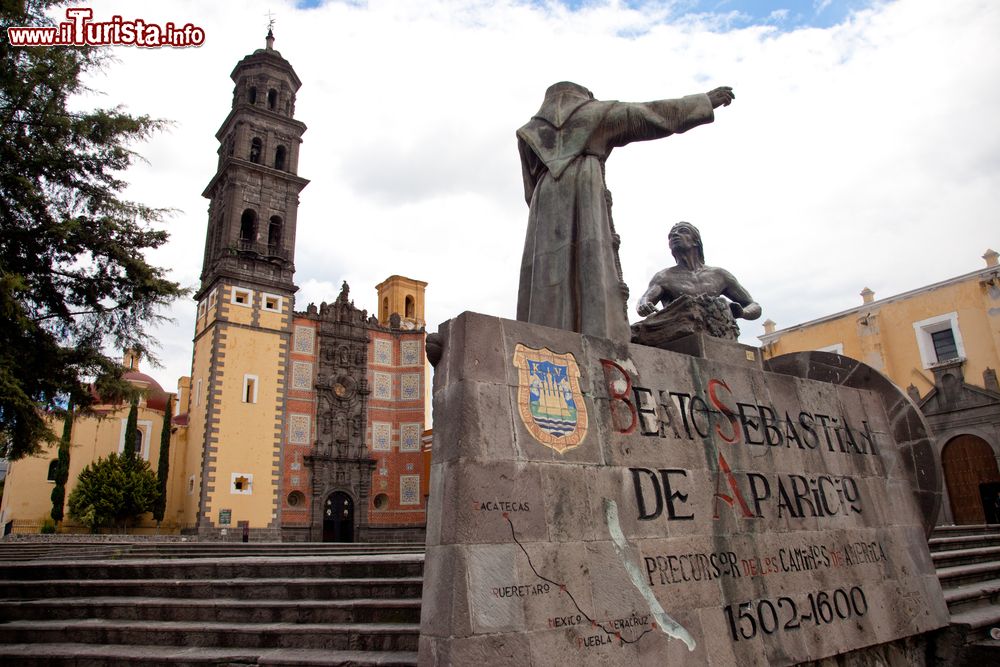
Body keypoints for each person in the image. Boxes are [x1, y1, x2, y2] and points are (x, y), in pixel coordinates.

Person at [516, 82, 735, 341]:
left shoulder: (530, 132)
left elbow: (529, 192)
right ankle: (597, 338)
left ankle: (541, 340)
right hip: (583, 187)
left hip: (545, 201)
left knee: (545, 271)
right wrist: (703, 101)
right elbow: (651, 114)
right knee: (591, 259)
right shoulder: (593, 114)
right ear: (583, 96)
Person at [637, 221, 760, 321]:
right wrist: (643, 306)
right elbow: (644, 300)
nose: (674, 235)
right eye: (671, 235)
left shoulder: (720, 275)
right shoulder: (664, 277)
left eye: (683, 231)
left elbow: (754, 306)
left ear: (696, 241)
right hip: (680, 332)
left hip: (716, 330)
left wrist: (743, 312)